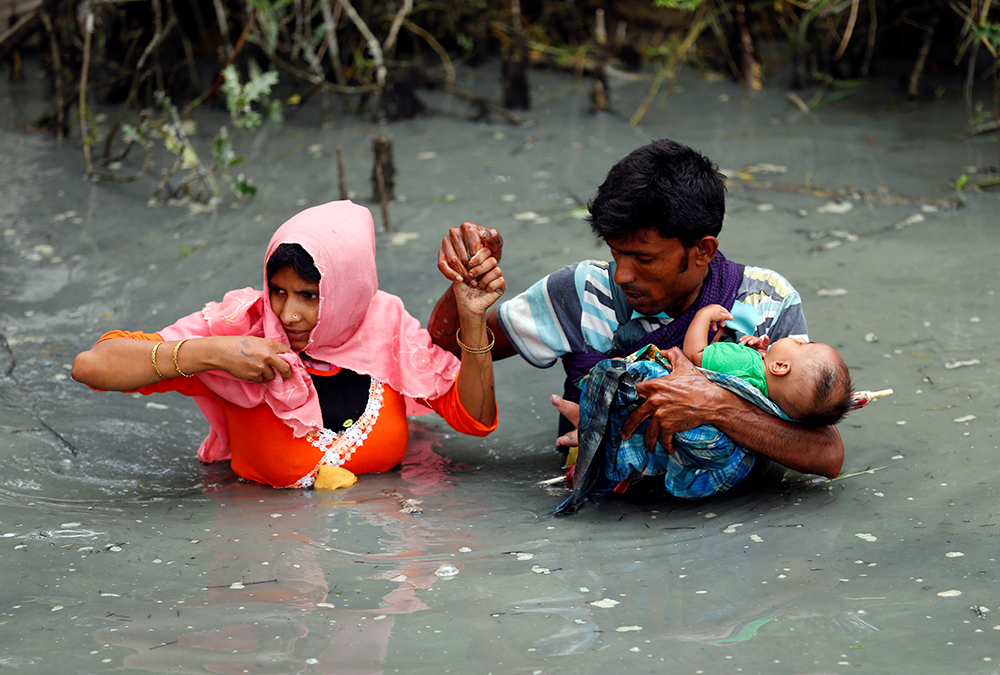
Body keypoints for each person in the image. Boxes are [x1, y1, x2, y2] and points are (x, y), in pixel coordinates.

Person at [430, 138, 843, 483]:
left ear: (703, 250)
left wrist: (714, 404)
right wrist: (464, 291)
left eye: (644, 259)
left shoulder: (766, 301)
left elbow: (825, 455)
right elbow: (441, 347)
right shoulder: (580, 292)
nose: (623, 275)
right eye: (615, 253)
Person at [72, 200, 506, 489]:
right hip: (267, 567)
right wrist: (213, 354)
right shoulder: (240, 327)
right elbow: (92, 365)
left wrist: (471, 317)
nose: (288, 314)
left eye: (310, 296)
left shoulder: (384, 326)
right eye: (278, 291)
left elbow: (475, 419)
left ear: (348, 292)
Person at [683, 304, 853, 427]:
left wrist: (703, 316)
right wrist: (761, 357)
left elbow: (694, 354)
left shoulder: (743, 362)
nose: (801, 339)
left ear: (779, 366)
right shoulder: (776, 413)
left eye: (801, 345)